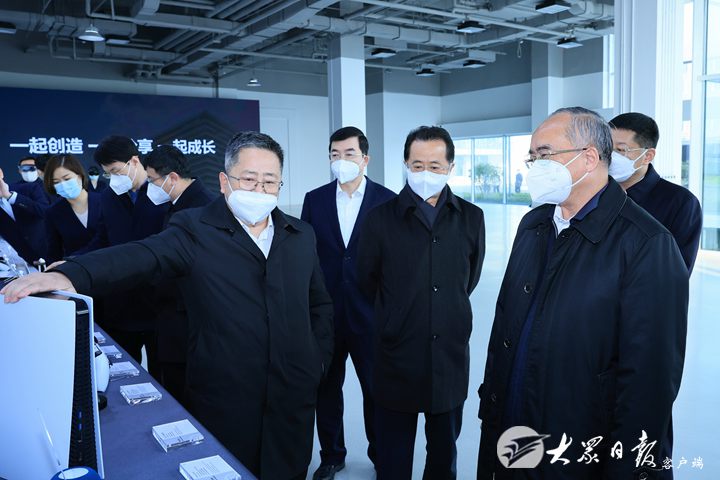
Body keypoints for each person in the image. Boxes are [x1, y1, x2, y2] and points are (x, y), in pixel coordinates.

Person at [2, 131, 334, 480]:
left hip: (291, 397)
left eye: (270, 181)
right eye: (249, 179)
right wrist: (71, 274)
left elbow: (319, 303)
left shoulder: (300, 235)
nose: (259, 190)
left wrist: (317, 362)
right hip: (226, 396)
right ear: (224, 181)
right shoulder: (195, 229)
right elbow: (141, 255)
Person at [476, 107, 688, 479]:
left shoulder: (646, 243)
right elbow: (505, 327)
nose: (535, 166)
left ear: (589, 158)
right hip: (516, 429)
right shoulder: (533, 225)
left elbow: (648, 384)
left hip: (580, 446)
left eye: (545, 155)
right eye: (532, 157)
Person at [357, 126, 486, 480]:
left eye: (434, 166)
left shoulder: (471, 217)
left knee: (443, 457)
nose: (425, 173)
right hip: (396, 356)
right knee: (393, 458)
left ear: (450, 168)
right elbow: (366, 280)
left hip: (449, 357)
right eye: (417, 165)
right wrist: (397, 315)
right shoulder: (380, 219)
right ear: (405, 165)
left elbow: (468, 279)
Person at [302, 126, 395, 480]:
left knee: (376, 389)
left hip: (371, 313)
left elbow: (396, 261)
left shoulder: (387, 201)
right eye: (334, 155)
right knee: (326, 389)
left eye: (349, 153)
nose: (341, 160)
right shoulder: (315, 200)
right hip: (326, 313)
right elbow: (305, 255)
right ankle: (331, 455)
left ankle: (381, 454)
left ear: (365, 159)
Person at [91, 135, 169, 375]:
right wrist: (73, 261)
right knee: (125, 373)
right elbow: (102, 239)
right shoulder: (109, 197)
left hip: (159, 302)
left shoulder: (162, 191)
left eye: (116, 171)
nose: (113, 178)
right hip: (122, 301)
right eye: (108, 174)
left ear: (134, 161)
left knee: (163, 374)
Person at [143, 144, 215, 402]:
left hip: (187, 318)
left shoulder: (201, 208)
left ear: (172, 177)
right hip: (173, 314)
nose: (150, 186)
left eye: (152, 180)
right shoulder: (180, 203)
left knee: (186, 395)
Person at [609, 112, 702, 273]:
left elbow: (676, 273)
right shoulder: (594, 192)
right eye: (607, 147)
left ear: (648, 156)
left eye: (621, 149)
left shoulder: (681, 202)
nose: (611, 156)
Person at [43, 155, 106, 263]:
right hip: (77, 270)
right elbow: (54, 252)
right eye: (56, 182)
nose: (63, 185)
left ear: (80, 176)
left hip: (111, 267)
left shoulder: (105, 202)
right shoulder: (53, 212)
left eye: (67, 179)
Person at [0, 166, 47, 264]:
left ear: (1, 174)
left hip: (51, 251)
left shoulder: (30, 188)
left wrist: (10, 196)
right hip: (26, 262)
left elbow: (45, 211)